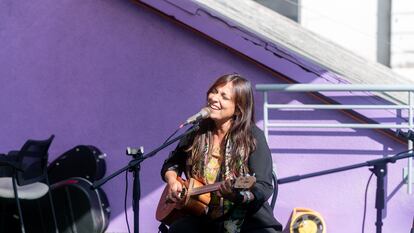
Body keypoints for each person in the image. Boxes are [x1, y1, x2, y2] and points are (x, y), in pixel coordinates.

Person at [161, 74, 283, 233]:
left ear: (238, 108)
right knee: (179, 229)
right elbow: (172, 163)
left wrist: (237, 196)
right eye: (214, 91)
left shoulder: (252, 137)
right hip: (204, 216)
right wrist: (172, 181)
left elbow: (264, 185)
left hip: (247, 220)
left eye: (224, 96)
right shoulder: (197, 132)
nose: (214, 98)